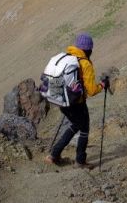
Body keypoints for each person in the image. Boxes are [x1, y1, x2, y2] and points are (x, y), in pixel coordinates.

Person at [44, 33, 109, 168]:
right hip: (76, 102)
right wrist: (102, 85)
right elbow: (91, 90)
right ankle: (80, 161)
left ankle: (54, 155)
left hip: (61, 100)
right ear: (88, 49)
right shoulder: (85, 63)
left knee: (75, 125)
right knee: (84, 128)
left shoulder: (67, 57)